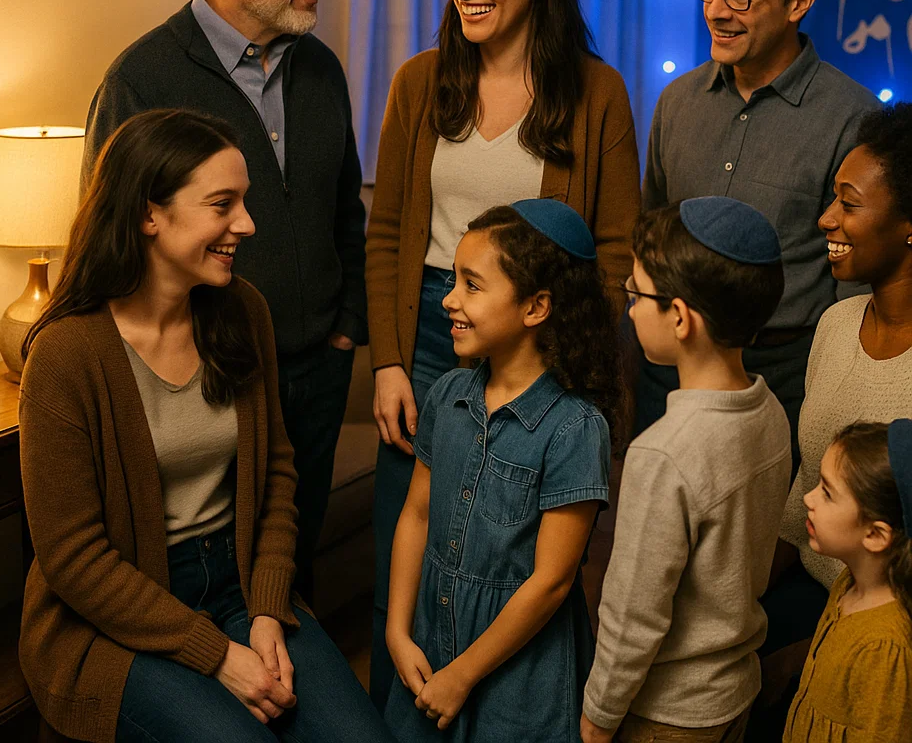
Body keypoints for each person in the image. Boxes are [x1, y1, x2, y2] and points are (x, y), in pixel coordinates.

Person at [19, 109, 392, 743]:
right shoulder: (65, 356)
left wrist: (268, 609)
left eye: (243, 202)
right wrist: (218, 656)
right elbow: (73, 559)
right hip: (116, 620)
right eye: (223, 205)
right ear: (150, 214)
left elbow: (277, 474)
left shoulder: (243, 311)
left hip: (240, 584)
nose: (246, 224)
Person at [366, 0, 640, 708]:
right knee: (405, 548)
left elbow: (615, 249)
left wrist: (559, 357)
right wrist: (389, 362)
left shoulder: (596, 93)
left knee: (511, 556)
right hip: (428, 329)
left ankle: (496, 710)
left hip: (536, 345)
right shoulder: (419, 83)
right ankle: (396, 715)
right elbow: (387, 234)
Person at [81, 0, 366, 604]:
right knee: (211, 578)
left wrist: (347, 326)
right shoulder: (141, 80)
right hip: (211, 378)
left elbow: (345, 210)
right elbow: (111, 248)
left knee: (291, 570)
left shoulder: (321, 70)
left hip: (317, 368)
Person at [639, 0, 878, 469]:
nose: (716, 10)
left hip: (785, 373)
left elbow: (855, 285)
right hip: (672, 367)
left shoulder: (853, 118)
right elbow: (651, 230)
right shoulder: (677, 102)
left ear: (799, 2)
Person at [384, 200, 618, 742]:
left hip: (519, 680)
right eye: (453, 280)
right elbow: (416, 516)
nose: (449, 299)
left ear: (536, 307)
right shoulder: (447, 396)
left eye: (472, 285)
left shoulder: (575, 429)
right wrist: (397, 631)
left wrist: (463, 675)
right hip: (429, 645)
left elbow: (551, 581)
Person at [581, 197, 791, 743]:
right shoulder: (770, 410)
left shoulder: (663, 454)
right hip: (734, 693)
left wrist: (598, 717)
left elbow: (633, 614)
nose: (630, 309)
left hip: (667, 713)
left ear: (680, 317)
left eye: (637, 294)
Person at [764, 103, 912, 658]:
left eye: (849, 205)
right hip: (811, 593)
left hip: (887, 629)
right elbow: (806, 480)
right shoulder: (836, 324)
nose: (826, 219)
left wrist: (809, 656)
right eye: (833, 200)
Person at [783, 421, 912, 742]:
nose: (808, 498)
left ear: (875, 535)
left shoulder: (884, 648)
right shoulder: (848, 582)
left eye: (827, 493)